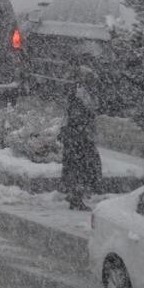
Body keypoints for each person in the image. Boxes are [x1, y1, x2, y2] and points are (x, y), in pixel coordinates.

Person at [60, 66, 102, 211]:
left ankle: (74, 194)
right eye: (91, 80)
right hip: (79, 139)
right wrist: (83, 131)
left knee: (78, 168)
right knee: (82, 169)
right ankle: (76, 197)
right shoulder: (80, 97)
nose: (94, 84)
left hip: (77, 138)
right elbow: (78, 118)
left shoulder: (78, 95)